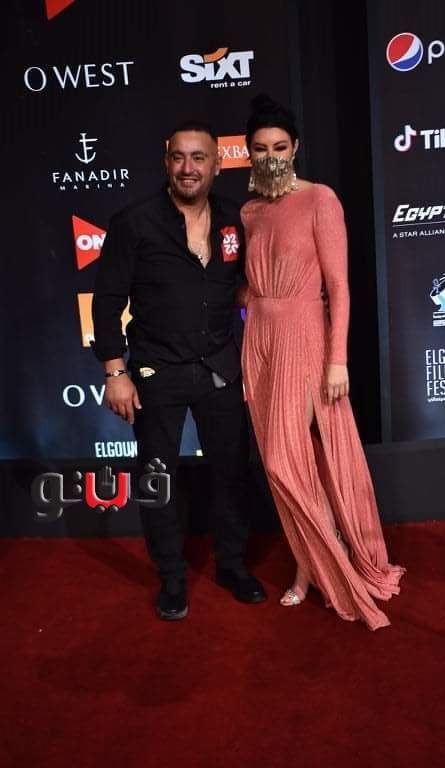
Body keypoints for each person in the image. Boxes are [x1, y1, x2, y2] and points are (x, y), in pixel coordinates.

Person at [240, 96, 404, 630]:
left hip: (305, 337)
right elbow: (252, 285)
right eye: (260, 148)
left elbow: (339, 286)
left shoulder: (320, 200)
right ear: (248, 152)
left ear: (295, 149)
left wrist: (338, 360)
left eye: (279, 147)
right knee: (293, 462)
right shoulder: (250, 212)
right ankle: (309, 564)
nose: (270, 156)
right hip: (259, 339)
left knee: (283, 462)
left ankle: (324, 560)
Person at [92, 121, 267, 621]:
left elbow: (245, 285)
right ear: (166, 161)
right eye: (179, 157)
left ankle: (232, 565)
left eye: (199, 158)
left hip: (219, 366)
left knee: (231, 472)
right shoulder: (135, 222)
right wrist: (115, 372)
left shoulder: (234, 218)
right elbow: (106, 302)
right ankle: (171, 577)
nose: (188, 168)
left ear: (216, 165)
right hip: (156, 369)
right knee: (158, 477)